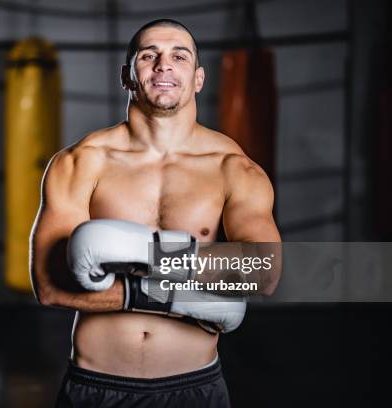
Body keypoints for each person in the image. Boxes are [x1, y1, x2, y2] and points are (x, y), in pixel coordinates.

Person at [30, 19, 281, 408]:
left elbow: (264, 270)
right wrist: (180, 296)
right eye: (149, 55)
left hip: (194, 388)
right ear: (127, 75)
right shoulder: (81, 163)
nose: (164, 65)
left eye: (179, 56)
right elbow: (48, 286)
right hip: (96, 387)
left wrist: (126, 264)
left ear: (198, 78)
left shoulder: (233, 169)